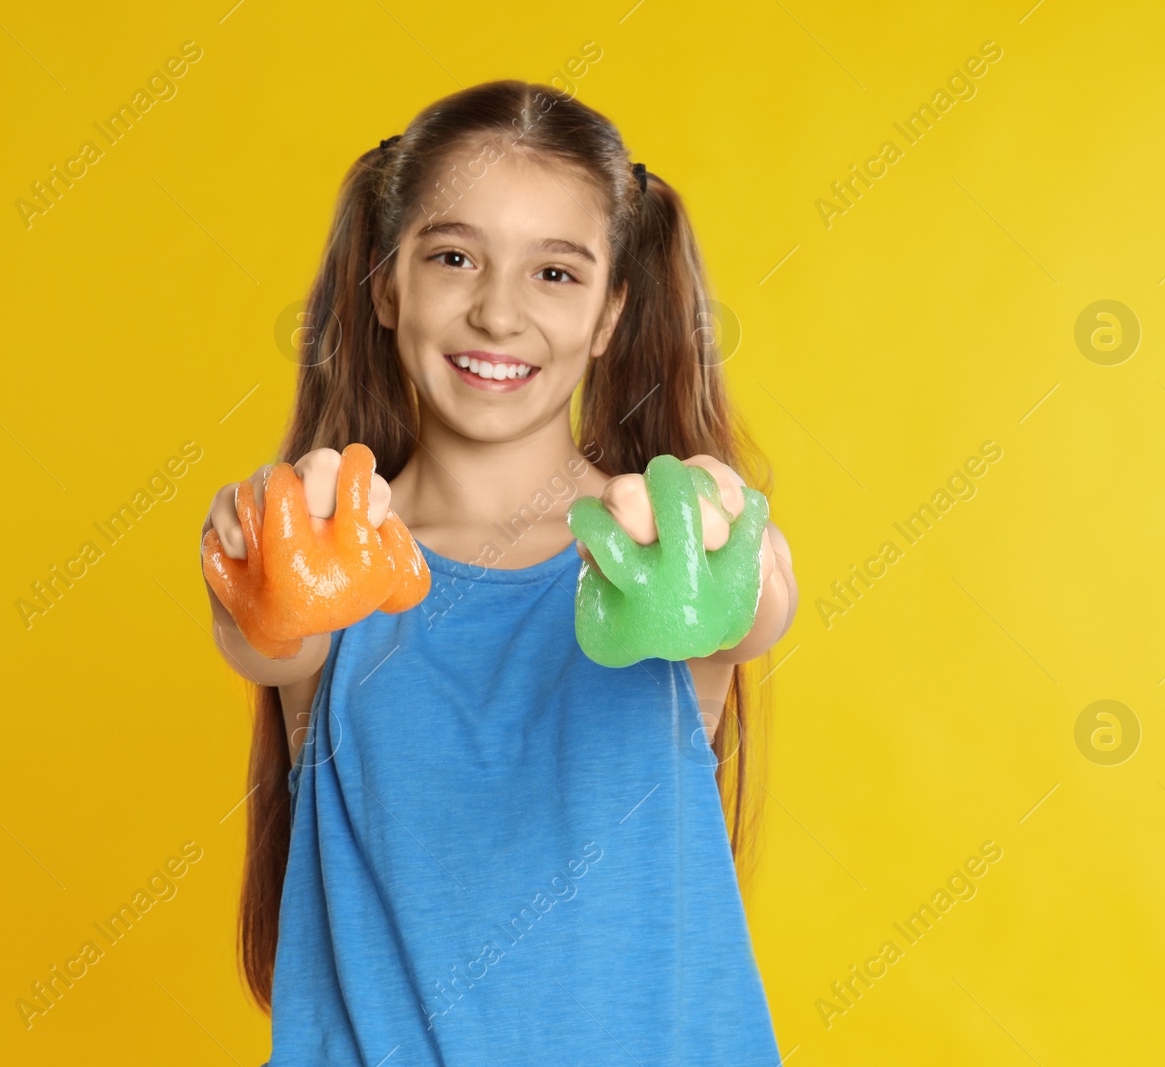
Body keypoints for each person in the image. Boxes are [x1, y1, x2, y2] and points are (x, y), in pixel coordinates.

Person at [200, 78, 798, 1065]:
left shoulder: (661, 546)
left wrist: (719, 536)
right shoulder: (331, 557)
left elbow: (750, 603)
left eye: (555, 274)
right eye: (452, 256)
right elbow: (266, 635)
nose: (496, 310)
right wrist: (255, 561)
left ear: (612, 311)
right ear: (388, 285)